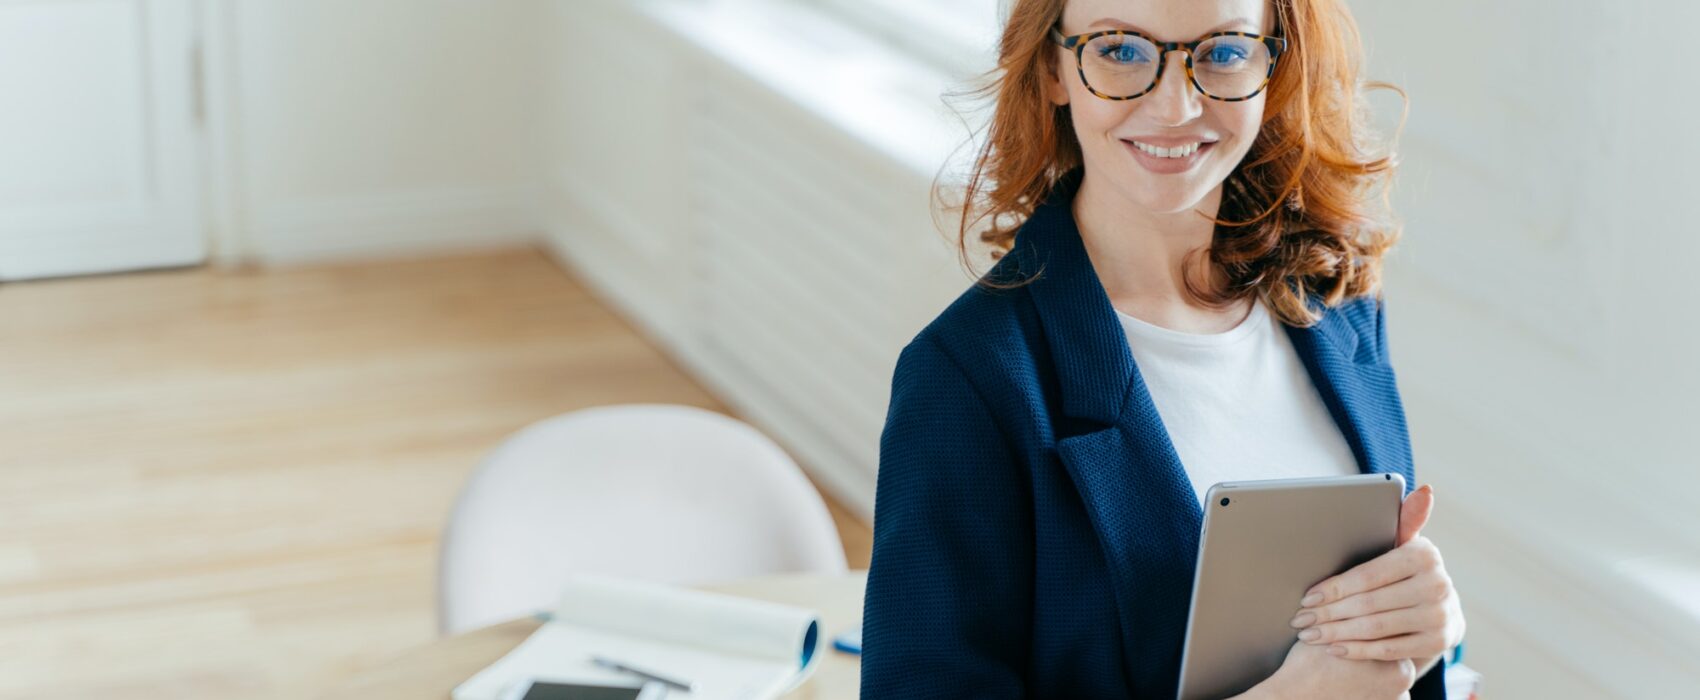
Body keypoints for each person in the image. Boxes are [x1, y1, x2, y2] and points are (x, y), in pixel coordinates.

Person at [859, 0, 1466, 697]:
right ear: (1054, 67)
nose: (1176, 107)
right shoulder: (968, 379)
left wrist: (1428, 623)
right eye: (1119, 51)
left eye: (1225, 52)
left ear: (1276, 61)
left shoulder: (1338, 303)